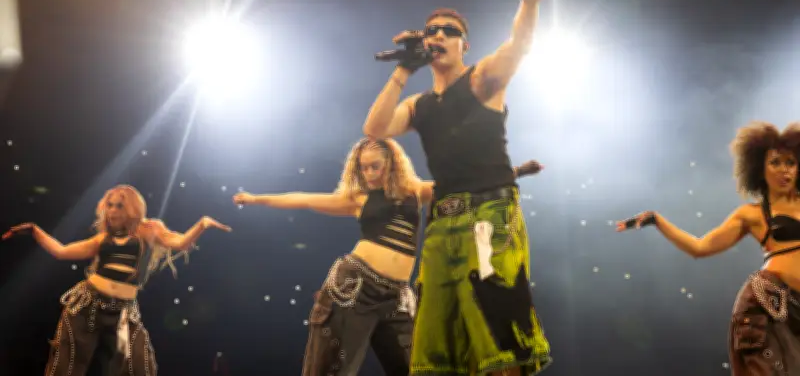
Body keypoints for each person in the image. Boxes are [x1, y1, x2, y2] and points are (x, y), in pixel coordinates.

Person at [361, 0, 550, 376]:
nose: (439, 35)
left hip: (489, 217)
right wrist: (404, 68)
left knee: (498, 339)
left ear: (465, 44)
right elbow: (374, 129)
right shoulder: (420, 105)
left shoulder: (482, 79)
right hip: (441, 227)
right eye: (432, 31)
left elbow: (520, 42)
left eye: (449, 31)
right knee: (437, 350)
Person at [232, 137, 543, 376]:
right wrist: (256, 199)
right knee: (331, 370)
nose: (369, 174)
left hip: (397, 298)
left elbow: (462, 185)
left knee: (418, 369)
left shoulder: (415, 191)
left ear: (392, 164)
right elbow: (304, 200)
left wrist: (517, 172)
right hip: (356, 287)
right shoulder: (358, 199)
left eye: (375, 166)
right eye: (363, 167)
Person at [617, 121, 800, 375]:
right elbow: (700, 247)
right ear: (760, 169)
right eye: (775, 162)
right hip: (768, 307)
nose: (784, 170)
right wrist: (657, 221)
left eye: (791, 162)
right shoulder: (751, 214)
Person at [2, 184, 231, 376]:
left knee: (139, 365)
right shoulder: (102, 239)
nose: (112, 211)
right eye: (109, 205)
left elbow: (179, 243)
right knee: (69, 365)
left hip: (123, 311)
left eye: (119, 206)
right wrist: (34, 230)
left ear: (132, 208)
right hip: (88, 305)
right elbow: (61, 251)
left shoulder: (149, 230)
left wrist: (202, 224)